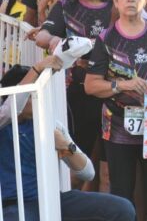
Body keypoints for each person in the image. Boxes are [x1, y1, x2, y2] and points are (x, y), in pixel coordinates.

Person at [84, 0, 147, 219]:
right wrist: (124, 85)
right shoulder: (106, 38)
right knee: (122, 191)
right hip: (117, 125)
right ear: (115, 1)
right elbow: (91, 85)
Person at [0, 55, 136, 221]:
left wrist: (65, 146)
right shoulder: (3, 124)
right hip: (15, 206)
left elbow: (88, 173)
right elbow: (11, 108)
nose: (38, 98)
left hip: (54, 200)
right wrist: (37, 69)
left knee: (123, 208)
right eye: (32, 94)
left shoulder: (50, 124)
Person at [34, 0, 113, 158]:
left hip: (113, 91)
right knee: (78, 159)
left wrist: (77, 45)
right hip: (77, 93)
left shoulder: (115, 4)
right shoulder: (65, 5)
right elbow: (42, 37)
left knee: (108, 165)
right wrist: (52, 39)